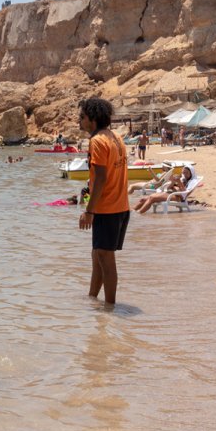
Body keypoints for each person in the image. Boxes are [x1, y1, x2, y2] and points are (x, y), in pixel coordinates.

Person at [77, 98, 129, 304]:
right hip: (121, 206)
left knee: (106, 260)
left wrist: (89, 211)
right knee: (97, 256)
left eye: (82, 117)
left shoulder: (97, 141)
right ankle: (92, 299)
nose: (79, 121)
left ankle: (110, 308)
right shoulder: (116, 136)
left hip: (107, 209)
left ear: (93, 119)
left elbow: (100, 178)